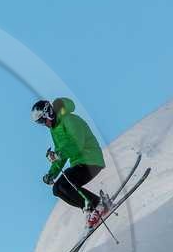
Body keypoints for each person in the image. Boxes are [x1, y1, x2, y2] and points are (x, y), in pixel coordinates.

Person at [32, 97, 113, 229]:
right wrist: (52, 173)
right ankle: (89, 208)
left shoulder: (69, 119)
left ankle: (98, 204)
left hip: (90, 160)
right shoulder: (54, 130)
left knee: (65, 184)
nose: (44, 124)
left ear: (49, 113)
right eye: (40, 123)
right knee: (57, 189)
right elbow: (61, 154)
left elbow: (77, 144)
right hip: (78, 164)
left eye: (43, 120)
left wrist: (59, 154)